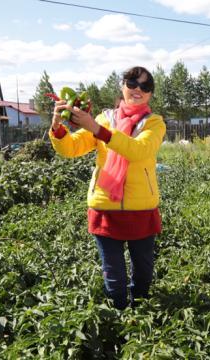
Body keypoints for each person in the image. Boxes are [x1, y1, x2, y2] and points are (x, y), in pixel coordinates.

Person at [49, 66, 166, 310]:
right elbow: (71, 148)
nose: (138, 90)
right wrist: (58, 125)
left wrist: (97, 129)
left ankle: (139, 318)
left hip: (140, 208)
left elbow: (138, 150)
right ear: (122, 86)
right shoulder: (104, 120)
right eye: (132, 83)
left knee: (143, 272)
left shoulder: (153, 123)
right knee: (114, 275)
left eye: (145, 87)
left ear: (150, 94)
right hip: (105, 207)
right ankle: (120, 322)